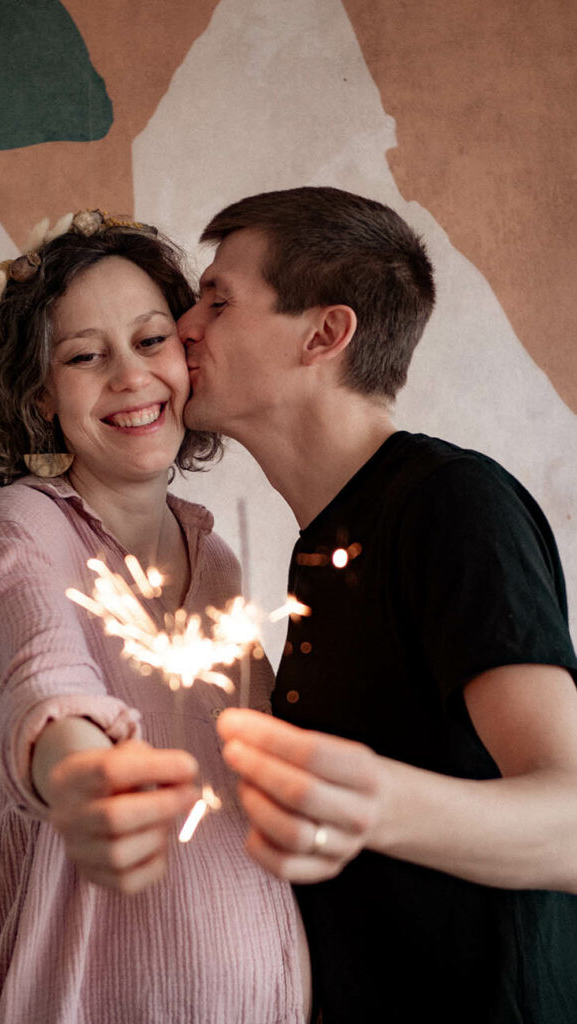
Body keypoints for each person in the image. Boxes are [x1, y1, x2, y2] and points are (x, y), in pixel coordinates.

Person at [177, 186, 577, 1023]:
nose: (184, 326)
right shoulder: (324, 540)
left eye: (217, 299)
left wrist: (372, 803)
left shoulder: (452, 505)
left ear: (324, 334)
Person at [0, 211, 309, 1024]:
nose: (130, 376)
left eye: (151, 341)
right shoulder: (21, 527)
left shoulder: (217, 557)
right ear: (38, 395)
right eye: (85, 356)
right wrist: (81, 780)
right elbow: (43, 680)